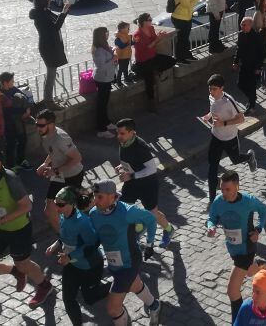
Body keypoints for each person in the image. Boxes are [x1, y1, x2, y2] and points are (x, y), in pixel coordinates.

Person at [0, 147, 54, 307]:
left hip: (18, 229)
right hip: (0, 228)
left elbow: (27, 206)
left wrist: (2, 220)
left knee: (24, 264)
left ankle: (45, 286)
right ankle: (16, 271)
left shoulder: (11, 179)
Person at [90, 180, 162, 326]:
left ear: (112, 196)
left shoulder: (128, 211)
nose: (95, 201)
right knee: (134, 285)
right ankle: (155, 305)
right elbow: (98, 235)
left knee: (113, 309)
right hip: (113, 263)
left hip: (129, 262)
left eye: (100, 197)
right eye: (94, 196)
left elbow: (151, 219)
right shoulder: (93, 214)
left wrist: (149, 244)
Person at [207, 170, 266, 323]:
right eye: (222, 189)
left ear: (237, 186)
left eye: (227, 189)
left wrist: (258, 229)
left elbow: (264, 210)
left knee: (232, 291)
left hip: (247, 247)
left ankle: (239, 321)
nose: (224, 192)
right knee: (250, 272)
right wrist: (211, 227)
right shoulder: (218, 201)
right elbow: (212, 218)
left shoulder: (248, 201)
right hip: (233, 248)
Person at [46, 186, 108, 326]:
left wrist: (70, 256)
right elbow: (65, 236)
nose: (57, 207)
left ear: (72, 204)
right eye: (56, 203)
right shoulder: (63, 216)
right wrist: (56, 244)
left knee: (90, 298)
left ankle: (117, 286)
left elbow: (92, 244)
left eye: (60, 204)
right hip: (73, 265)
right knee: (68, 299)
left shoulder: (82, 222)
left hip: (90, 266)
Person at [115, 119, 176, 246]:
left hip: (147, 184)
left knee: (152, 212)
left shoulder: (140, 147)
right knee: (124, 208)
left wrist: (131, 175)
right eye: (118, 133)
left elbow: (152, 169)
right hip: (132, 183)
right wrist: (122, 167)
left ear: (131, 133)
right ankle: (139, 228)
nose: (118, 136)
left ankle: (168, 229)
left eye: (122, 133)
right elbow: (131, 161)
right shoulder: (124, 142)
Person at [202, 74, 258, 199]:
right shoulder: (212, 96)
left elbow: (241, 118)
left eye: (214, 89)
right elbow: (214, 108)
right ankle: (212, 200)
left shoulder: (229, 101)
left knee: (236, 159)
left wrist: (224, 123)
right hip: (216, 137)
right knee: (212, 168)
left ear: (222, 88)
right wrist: (208, 116)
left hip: (229, 138)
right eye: (210, 88)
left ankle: (249, 157)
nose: (211, 92)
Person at [33, 110, 86, 235]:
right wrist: (45, 164)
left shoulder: (60, 138)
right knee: (49, 210)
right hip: (58, 175)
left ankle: (74, 234)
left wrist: (55, 170)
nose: (38, 128)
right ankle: (63, 237)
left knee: (67, 209)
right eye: (36, 124)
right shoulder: (46, 134)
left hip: (72, 176)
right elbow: (53, 152)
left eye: (41, 125)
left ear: (51, 124)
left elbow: (77, 158)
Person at [29, 0, 70, 110]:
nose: (50, 0)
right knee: (51, 73)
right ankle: (48, 101)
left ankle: (47, 97)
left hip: (50, 46)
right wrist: (64, 12)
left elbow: (57, 20)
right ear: (43, 1)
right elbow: (55, 27)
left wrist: (64, 11)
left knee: (50, 73)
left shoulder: (45, 11)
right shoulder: (41, 15)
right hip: (48, 47)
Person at [132, 13, 174, 107]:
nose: (151, 21)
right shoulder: (137, 35)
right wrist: (157, 39)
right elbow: (146, 48)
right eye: (150, 20)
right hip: (143, 60)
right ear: (144, 22)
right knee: (149, 81)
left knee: (171, 61)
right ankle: (151, 103)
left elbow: (154, 40)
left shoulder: (151, 28)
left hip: (152, 56)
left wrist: (159, 36)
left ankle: (156, 71)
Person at [169, 0, 205, 64]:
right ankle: (180, 58)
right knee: (182, 39)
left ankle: (186, 55)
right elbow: (187, 5)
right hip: (180, 19)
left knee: (185, 39)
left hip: (185, 18)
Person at [0, 72, 32, 171]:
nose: (13, 82)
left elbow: (23, 96)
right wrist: (23, 111)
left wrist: (27, 109)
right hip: (9, 124)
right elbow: (7, 111)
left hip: (18, 121)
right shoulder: (0, 95)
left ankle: (21, 160)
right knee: (11, 144)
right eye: (12, 81)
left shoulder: (12, 89)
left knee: (23, 140)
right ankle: (11, 166)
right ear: (5, 83)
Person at [92, 27, 117, 139]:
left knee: (105, 102)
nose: (108, 34)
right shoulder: (98, 50)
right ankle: (101, 129)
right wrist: (113, 59)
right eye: (106, 33)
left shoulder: (104, 46)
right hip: (102, 79)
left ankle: (106, 123)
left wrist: (112, 53)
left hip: (107, 78)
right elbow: (101, 66)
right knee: (101, 105)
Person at [113, 21, 134, 86]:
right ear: (122, 29)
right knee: (121, 69)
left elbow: (130, 43)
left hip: (127, 55)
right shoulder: (118, 38)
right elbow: (121, 46)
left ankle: (126, 78)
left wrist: (134, 42)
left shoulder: (127, 36)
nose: (129, 30)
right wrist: (127, 43)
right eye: (128, 28)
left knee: (125, 68)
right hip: (121, 56)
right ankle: (118, 80)